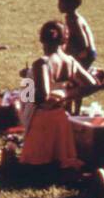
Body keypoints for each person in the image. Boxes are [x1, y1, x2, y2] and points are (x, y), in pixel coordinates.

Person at [20, 21, 98, 169]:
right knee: (57, 162)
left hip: (41, 119)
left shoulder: (42, 63)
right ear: (64, 39)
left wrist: (27, 82)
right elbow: (93, 84)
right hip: (60, 115)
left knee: (35, 165)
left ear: (41, 39)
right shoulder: (69, 61)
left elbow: (42, 95)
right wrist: (67, 94)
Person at [59, 0, 97, 70]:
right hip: (87, 52)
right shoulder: (73, 17)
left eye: (60, 2)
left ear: (68, 5)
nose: (58, 5)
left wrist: (80, 52)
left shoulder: (73, 19)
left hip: (85, 53)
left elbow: (83, 40)